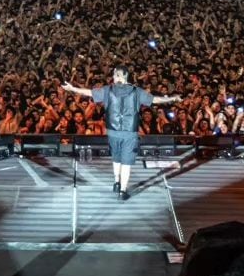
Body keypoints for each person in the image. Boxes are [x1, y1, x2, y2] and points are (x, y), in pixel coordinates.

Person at [61, 67, 180, 200]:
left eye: (117, 75)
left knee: (121, 160)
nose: (115, 77)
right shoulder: (121, 90)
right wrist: (73, 89)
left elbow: (155, 100)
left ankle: (119, 185)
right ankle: (121, 189)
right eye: (114, 75)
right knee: (122, 160)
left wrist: (172, 98)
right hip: (121, 133)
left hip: (121, 132)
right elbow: (89, 93)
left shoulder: (114, 90)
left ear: (125, 76)